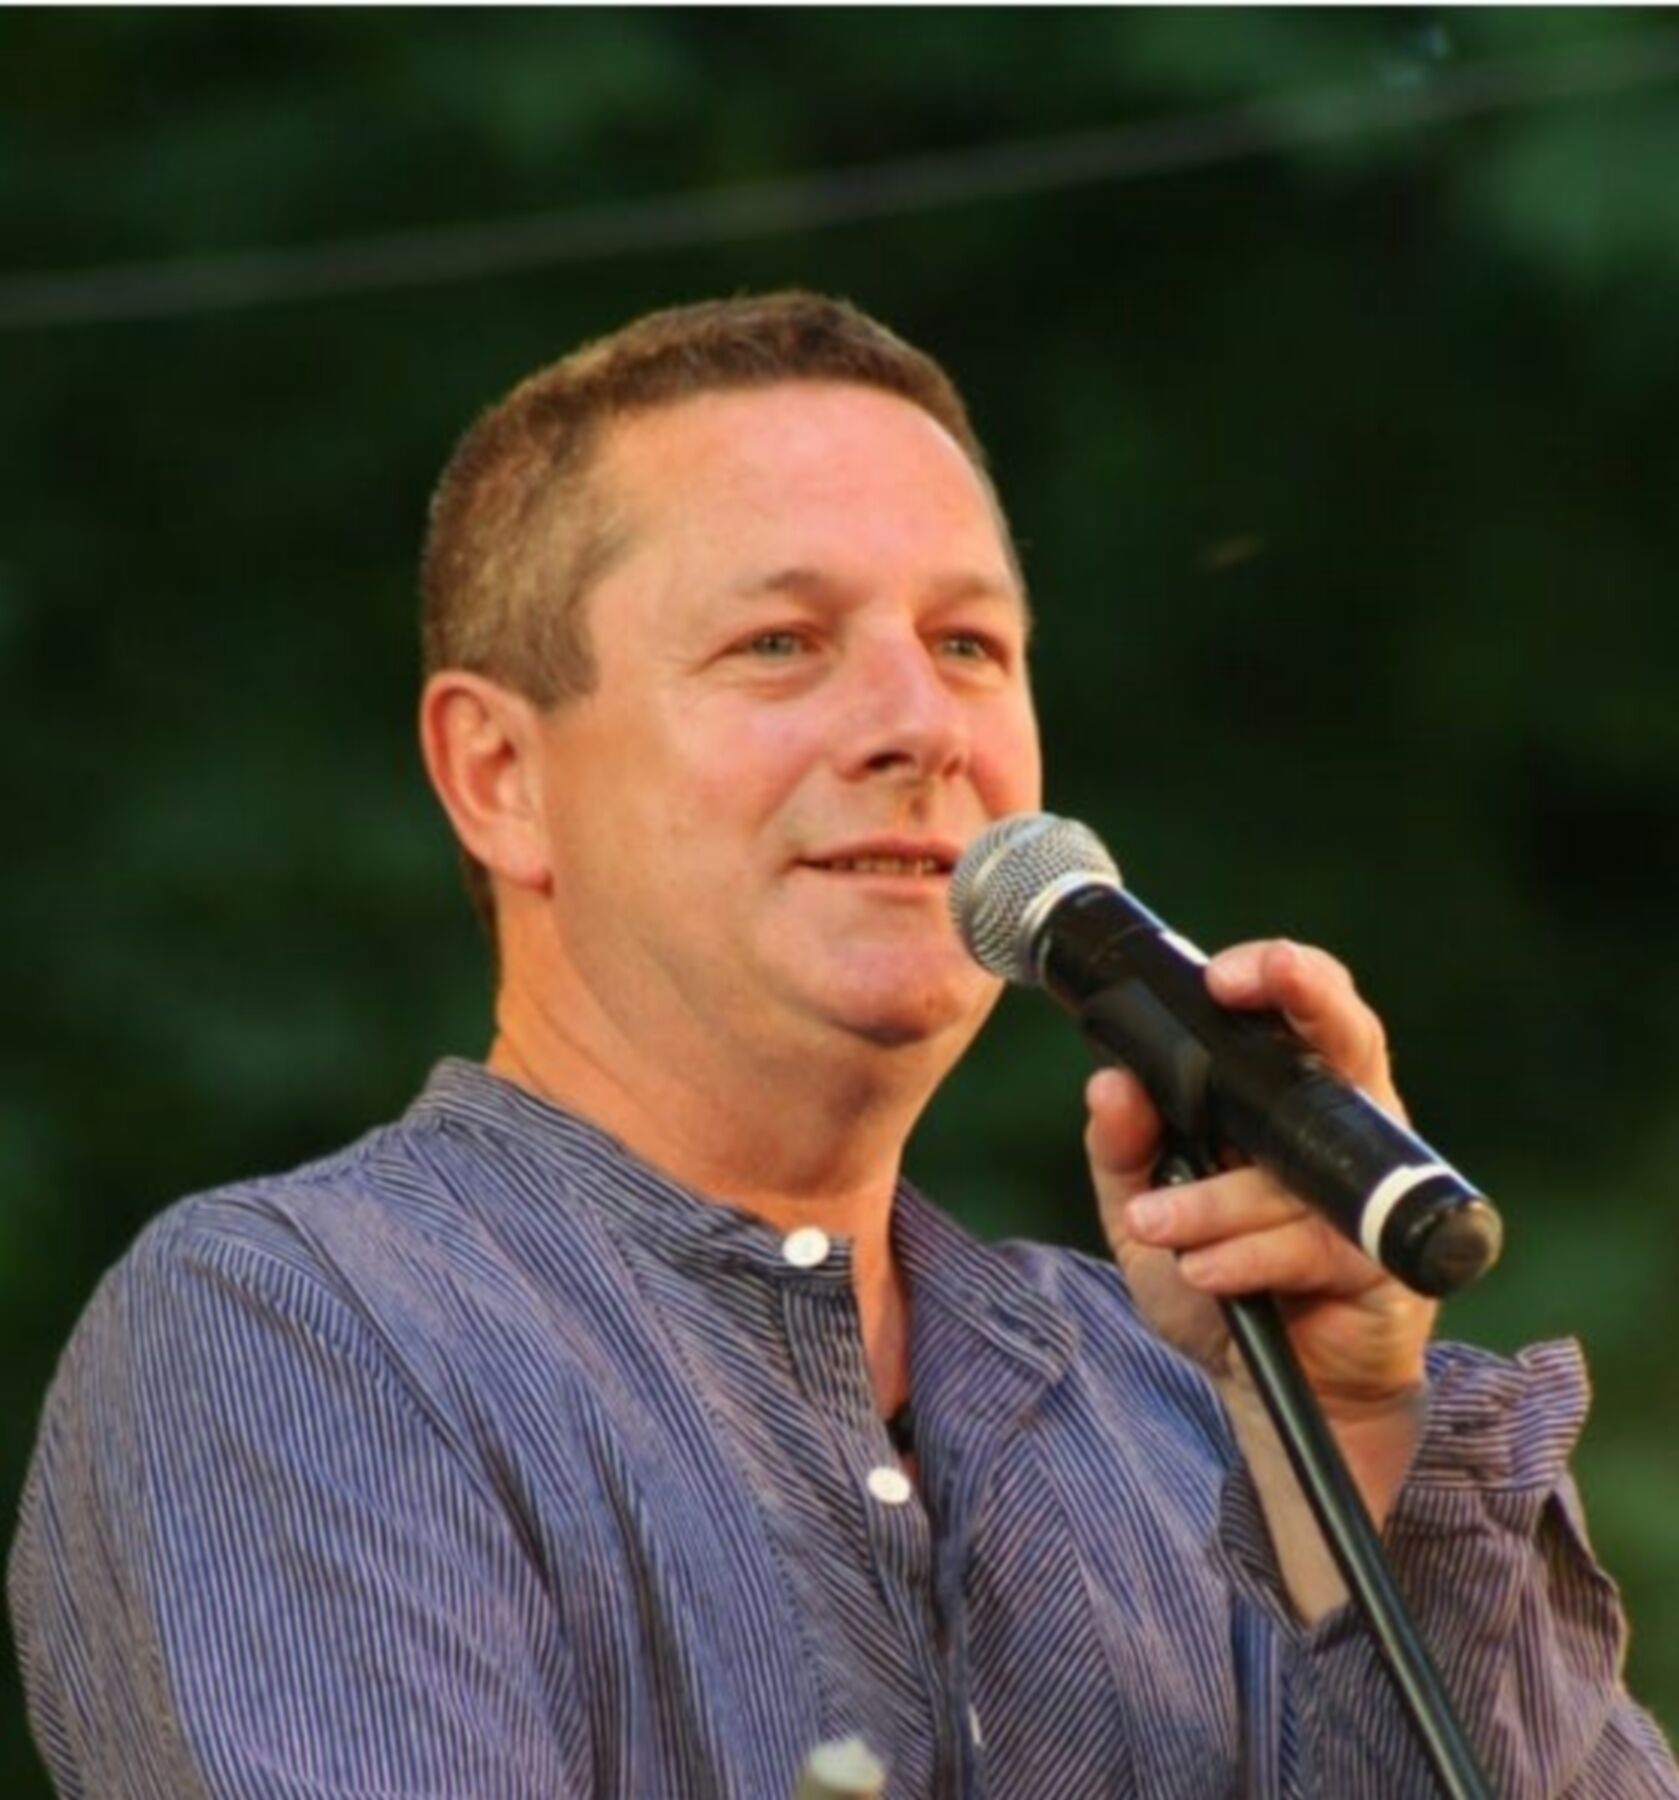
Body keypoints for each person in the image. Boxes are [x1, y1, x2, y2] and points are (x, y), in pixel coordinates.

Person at [10, 292, 1675, 1799]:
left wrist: (1356, 1439)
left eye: (968, 646)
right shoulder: (305, 1330)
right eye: (781, 644)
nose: (920, 726)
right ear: (500, 777)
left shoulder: (1184, 1403)